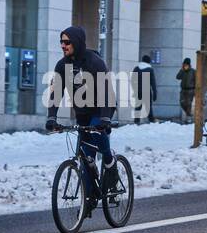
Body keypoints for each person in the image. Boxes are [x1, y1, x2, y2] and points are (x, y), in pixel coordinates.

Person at [45, 26, 117, 215]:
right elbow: (55, 93)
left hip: (102, 108)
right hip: (83, 112)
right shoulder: (62, 66)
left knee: (97, 132)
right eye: (61, 42)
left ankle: (110, 162)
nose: (63, 45)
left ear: (76, 42)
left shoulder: (95, 63)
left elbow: (107, 94)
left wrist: (105, 119)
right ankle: (89, 200)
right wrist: (51, 117)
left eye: (67, 42)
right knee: (86, 157)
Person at [133, 54, 158, 123]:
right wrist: (155, 92)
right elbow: (153, 82)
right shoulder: (150, 69)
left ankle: (136, 120)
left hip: (138, 90)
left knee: (138, 106)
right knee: (148, 106)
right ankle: (151, 119)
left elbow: (133, 80)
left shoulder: (136, 68)